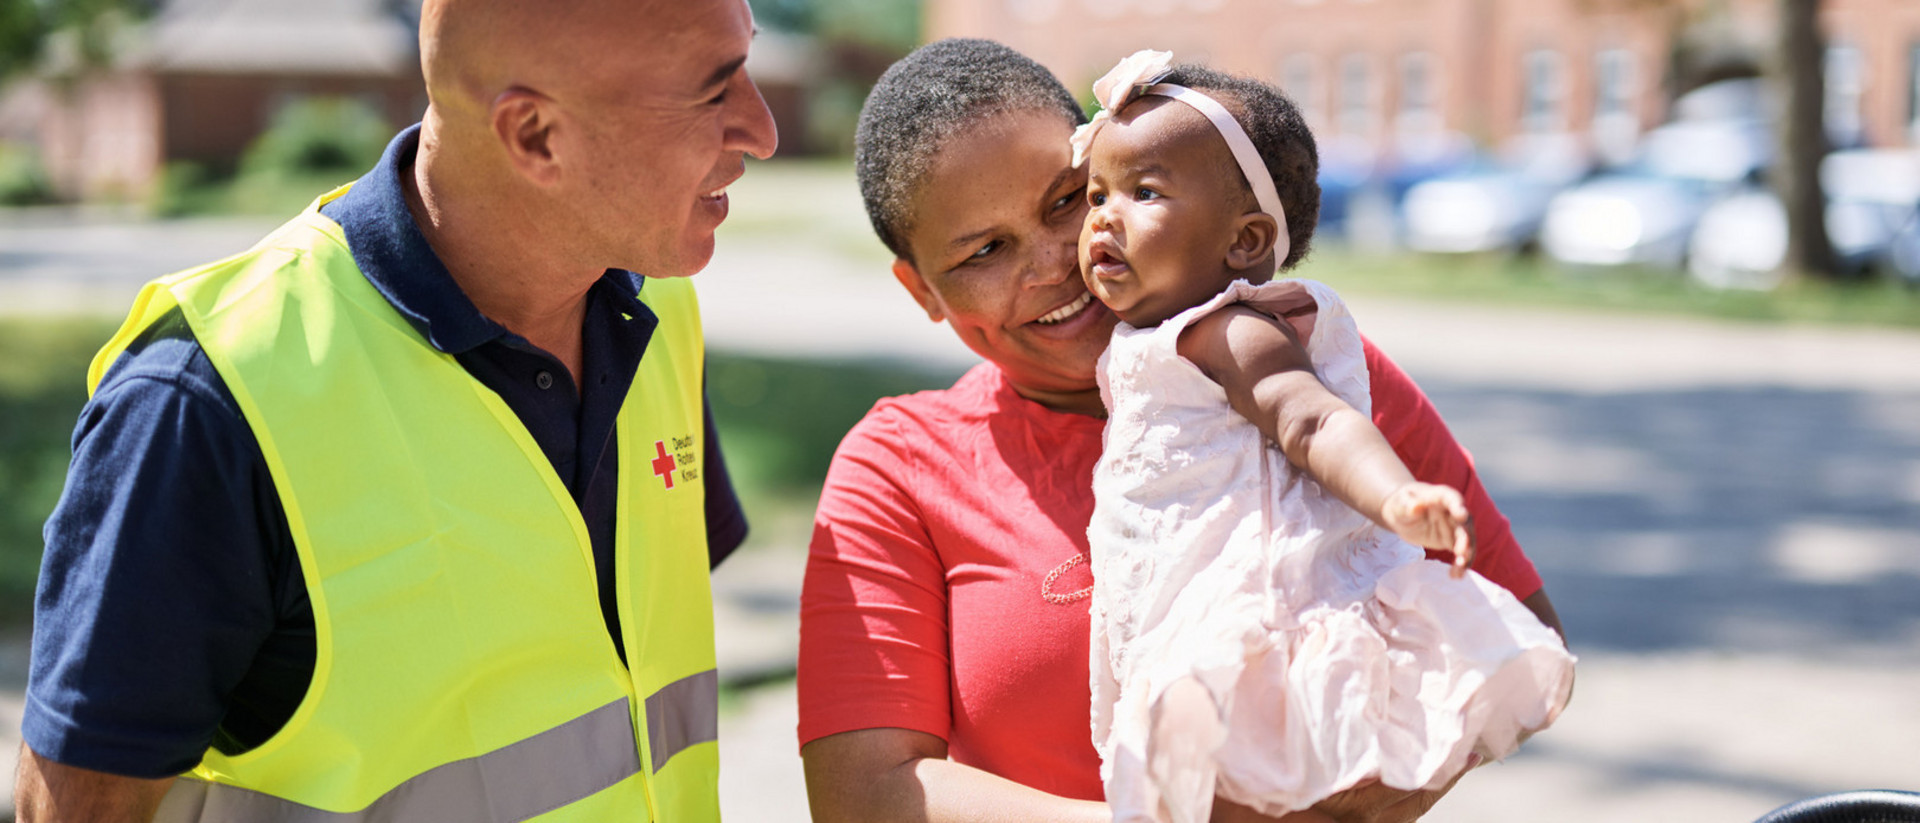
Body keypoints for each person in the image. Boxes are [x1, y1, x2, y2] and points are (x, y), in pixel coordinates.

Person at [15, 1, 777, 820]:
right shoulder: (206, 401)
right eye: (713, 91)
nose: (761, 129)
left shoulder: (658, 309)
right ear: (534, 136)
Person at [798, 38, 1567, 823]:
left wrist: (1363, 793)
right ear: (922, 289)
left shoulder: (1303, 370)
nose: (1061, 260)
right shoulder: (898, 466)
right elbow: (866, 791)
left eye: (1070, 198)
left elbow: (1512, 624)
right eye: (985, 251)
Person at [1071, 53, 1575, 822]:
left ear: (1244, 242)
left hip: (1249, 609)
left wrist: (1394, 496)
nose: (1103, 217)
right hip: (1175, 604)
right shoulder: (1152, 336)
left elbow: (1316, 418)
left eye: (1144, 193)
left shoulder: (1231, 331)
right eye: (1094, 193)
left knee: (1248, 789)